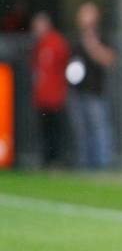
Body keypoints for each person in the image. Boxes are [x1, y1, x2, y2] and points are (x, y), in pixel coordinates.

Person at [68, 2, 116, 169]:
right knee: (81, 129)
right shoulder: (75, 38)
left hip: (95, 91)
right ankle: (85, 163)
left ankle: (103, 163)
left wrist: (92, 44)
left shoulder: (101, 37)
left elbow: (109, 59)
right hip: (77, 91)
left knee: (99, 128)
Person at [30, 12, 70, 166]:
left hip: (55, 96)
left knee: (55, 131)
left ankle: (57, 160)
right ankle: (47, 160)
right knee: (44, 131)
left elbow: (64, 66)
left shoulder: (56, 42)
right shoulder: (38, 45)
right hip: (41, 96)